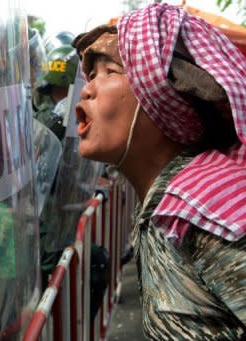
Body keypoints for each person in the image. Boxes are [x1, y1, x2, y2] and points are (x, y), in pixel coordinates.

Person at [72, 3, 246, 339]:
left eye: (110, 72)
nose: (87, 88)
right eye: (91, 75)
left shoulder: (208, 211)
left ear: (162, 95)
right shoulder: (166, 205)